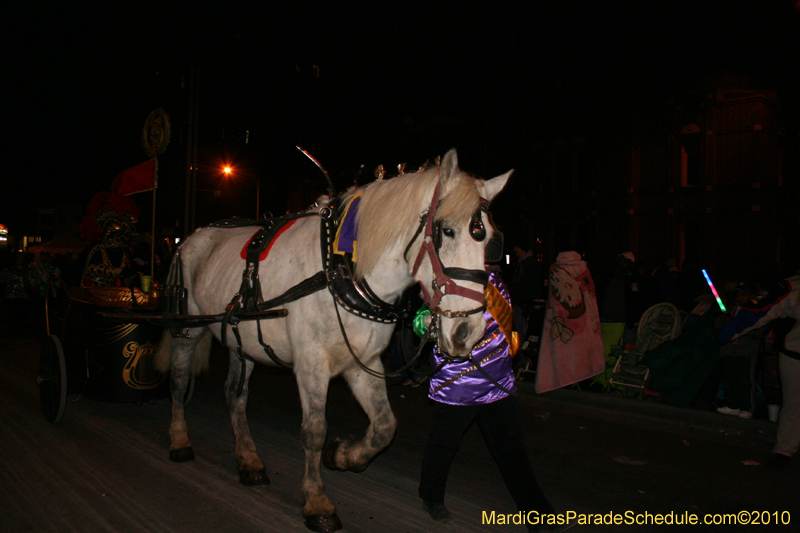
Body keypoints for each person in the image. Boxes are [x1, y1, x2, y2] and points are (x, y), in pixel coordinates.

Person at [416, 271, 571, 532]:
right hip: (458, 383)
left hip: (497, 382)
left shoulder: (497, 281)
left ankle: (540, 516)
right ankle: (430, 497)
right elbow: (419, 322)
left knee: (513, 451)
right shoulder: (442, 279)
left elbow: (508, 325)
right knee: (444, 444)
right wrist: (431, 323)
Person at [717, 272, 800, 468]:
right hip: (795, 356)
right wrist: (731, 329)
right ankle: (784, 450)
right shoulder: (791, 287)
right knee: (794, 406)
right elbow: (760, 309)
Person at [535, 250, 605, 393]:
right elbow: (590, 296)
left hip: (563, 322)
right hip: (583, 323)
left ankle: (564, 383)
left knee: (563, 355)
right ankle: (583, 381)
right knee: (582, 354)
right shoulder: (584, 269)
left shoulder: (556, 269)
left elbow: (555, 299)